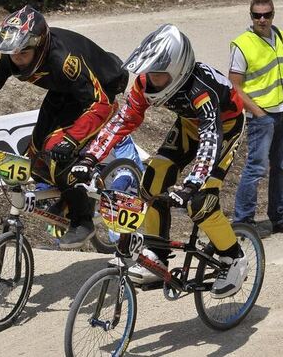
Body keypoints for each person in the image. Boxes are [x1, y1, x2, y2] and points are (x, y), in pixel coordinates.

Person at [71, 24, 248, 299]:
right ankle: (158, 255)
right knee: (151, 182)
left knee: (201, 201)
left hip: (224, 127)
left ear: (178, 70)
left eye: (159, 75)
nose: (152, 81)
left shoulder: (201, 89)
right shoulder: (144, 83)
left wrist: (192, 184)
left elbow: (211, 139)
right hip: (190, 125)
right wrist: (90, 157)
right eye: (149, 73)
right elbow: (122, 120)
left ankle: (234, 258)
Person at [0, 5, 128, 249]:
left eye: (23, 55)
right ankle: (69, 197)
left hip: (101, 91)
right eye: (12, 55)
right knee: (35, 155)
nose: (16, 61)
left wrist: (71, 140)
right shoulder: (11, 52)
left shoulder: (65, 60)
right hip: (63, 90)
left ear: (40, 46)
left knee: (58, 149)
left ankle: (82, 220)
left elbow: (100, 105)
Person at [229, 0, 283, 236]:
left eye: (267, 14)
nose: (262, 19)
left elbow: (282, 72)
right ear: (250, 16)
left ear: (273, 14)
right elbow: (235, 86)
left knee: (281, 166)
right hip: (262, 116)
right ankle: (243, 221)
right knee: (256, 168)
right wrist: (258, 113)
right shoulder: (242, 44)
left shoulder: (280, 35)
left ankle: (279, 217)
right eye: (257, 15)